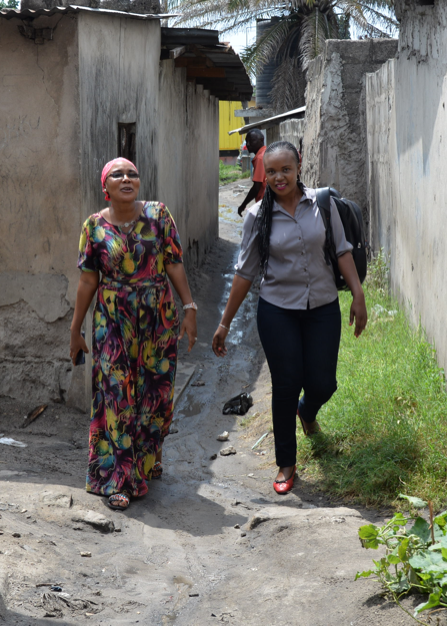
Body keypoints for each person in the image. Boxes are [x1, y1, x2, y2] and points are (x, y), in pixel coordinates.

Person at [212, 141, 367, 495]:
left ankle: (307, 412)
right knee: (285, 382)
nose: (280, 177)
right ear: (264, 175)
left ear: (299, 167)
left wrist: (358, 294)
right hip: (277, 309)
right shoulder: (256, 216)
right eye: (272, 172)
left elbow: (342, 250)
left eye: (286, 169)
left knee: (323, 382)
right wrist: (224, 323)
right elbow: (245, 272)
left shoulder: (322, 205)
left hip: (323, 306)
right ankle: (286, 461)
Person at [70, 157, 198, 511]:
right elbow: (87, 281)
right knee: (115, 394)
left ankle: (146, 458)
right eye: (117, 174)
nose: (127, 178)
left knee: (154, 392)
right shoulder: (94, 227)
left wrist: (189, 309)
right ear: (105, 186)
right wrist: (75, 328)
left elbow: (173, 263)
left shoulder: (159, 216)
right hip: (112, 319)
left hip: (157, 316)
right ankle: (119, 477)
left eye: (132, 174)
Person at [237, 129, 266, 216]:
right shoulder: (265, 153)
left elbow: (256, 188)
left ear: (261, 140)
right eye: (247, 141)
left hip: (264, 203)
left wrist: (243, 205)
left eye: (251, 141)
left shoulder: (260, 158)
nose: (248, 144)